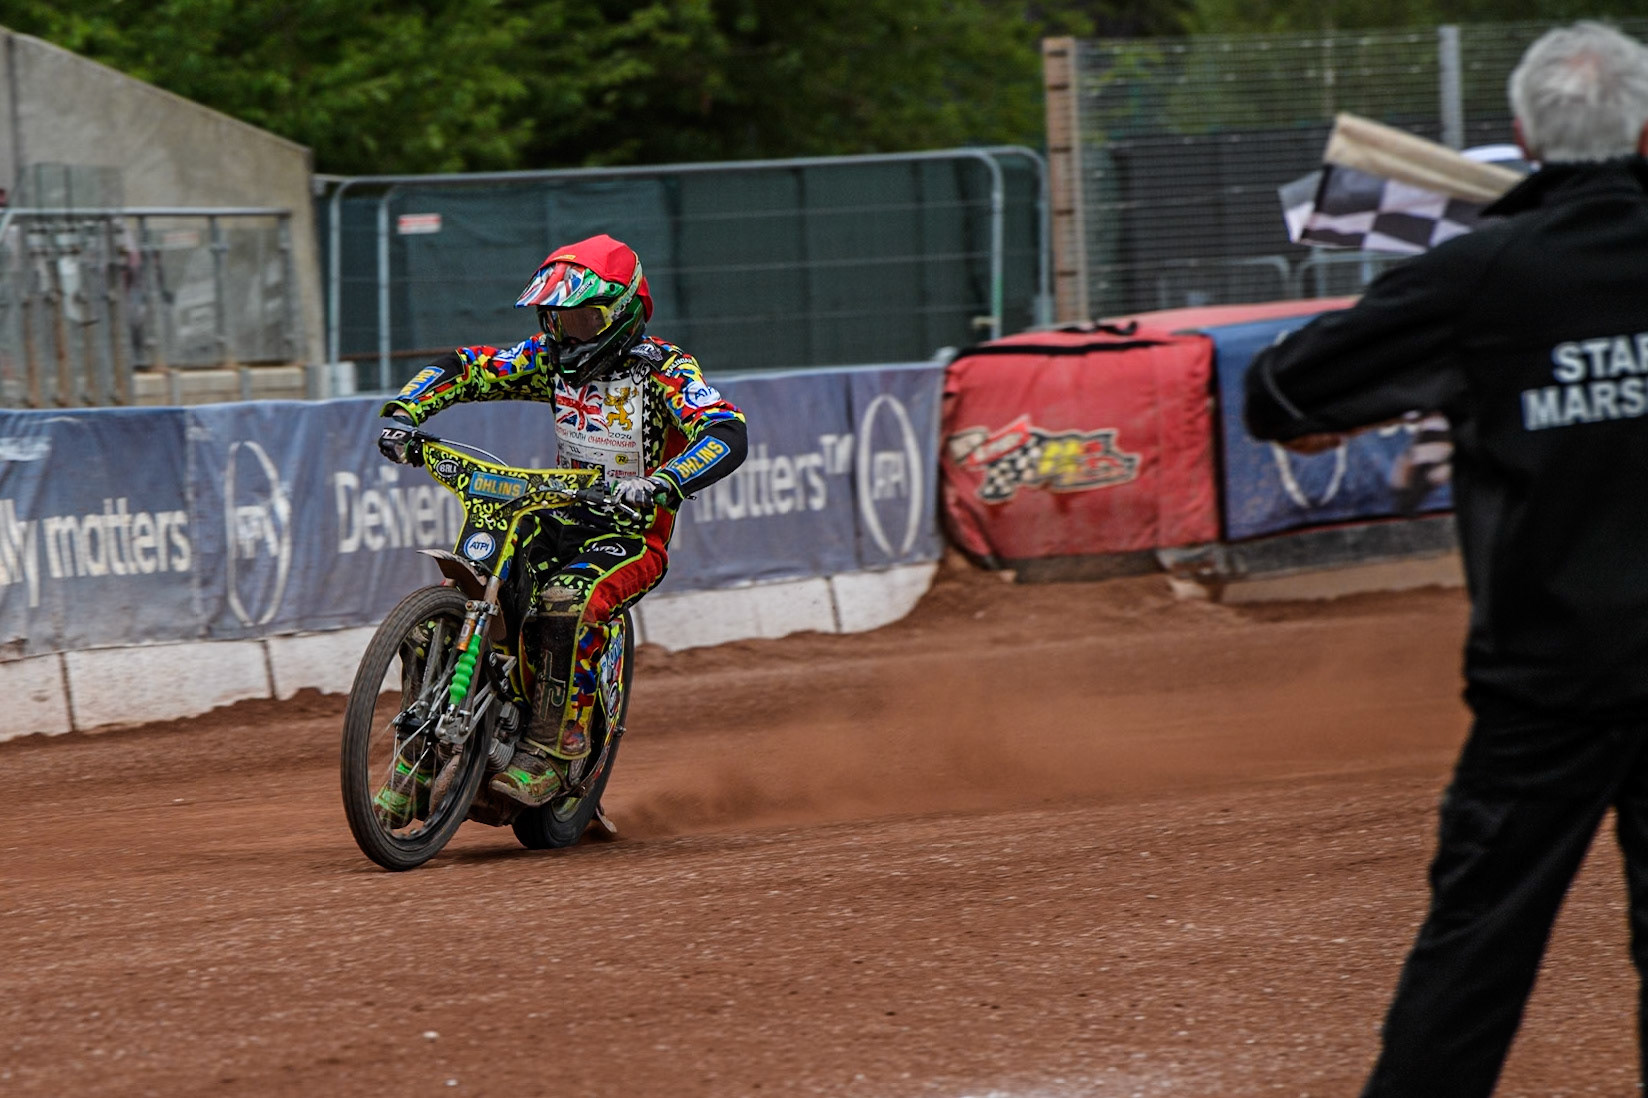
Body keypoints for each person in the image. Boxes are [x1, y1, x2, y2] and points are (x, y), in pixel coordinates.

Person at [1244, 22, 1648, 1097]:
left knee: (1475, 956)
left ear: (1520, 134)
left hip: (1547, 682)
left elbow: (1279, 392)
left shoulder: (1486, 276)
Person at [375, 234, 747, 808]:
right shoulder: (546, 358)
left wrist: (663, 482)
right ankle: (420, 758)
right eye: (558, 319)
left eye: (585, 319)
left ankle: (556, 746)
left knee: (565, 602)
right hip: (554, 511)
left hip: (628, 532)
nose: (568, 333)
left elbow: (726, 430)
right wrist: (406, 412)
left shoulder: (665, 368)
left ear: (623, 313)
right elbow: (468, 367)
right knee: (455, 596)